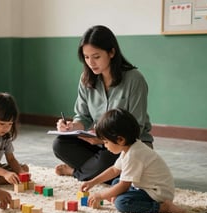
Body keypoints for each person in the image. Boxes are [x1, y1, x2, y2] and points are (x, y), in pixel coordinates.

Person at [53, 25, 153, 183]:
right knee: (60, 145)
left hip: (128, 144)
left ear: (112, 52)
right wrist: (71, 127)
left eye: (96, 56)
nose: (91, 63)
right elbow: (83, 117)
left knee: (108, 158)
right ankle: (108, 173)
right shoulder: (86, 79)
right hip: (102, 145)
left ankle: (76, 172)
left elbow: (136, 127)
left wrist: (103, 139)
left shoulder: (134, 79)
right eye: (86, 57)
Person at [80, 108, 186, 213]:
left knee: (122, 203)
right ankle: (119, 196)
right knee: (116, 182)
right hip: (144, 187)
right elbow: (114, 170)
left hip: (157, 193)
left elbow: (124, 185)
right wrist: (92, 182)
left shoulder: (134, 154)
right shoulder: (129, 147)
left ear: (120, 140)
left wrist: (101, 195)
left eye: (106, 142)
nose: (105, 145)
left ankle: (163, 207)